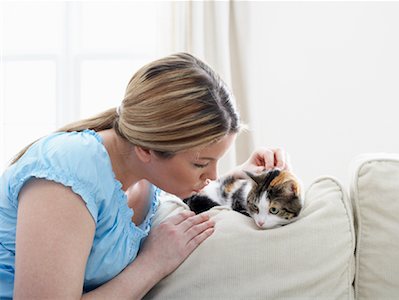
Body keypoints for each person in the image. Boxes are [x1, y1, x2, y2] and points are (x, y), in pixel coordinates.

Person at [0, 53, 289, 299]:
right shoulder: (68, 175)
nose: (212, 175)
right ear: (146, 149)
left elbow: (192, 192)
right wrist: (153, 263)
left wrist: (245, 177)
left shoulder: (143, 174)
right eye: (201, 164)